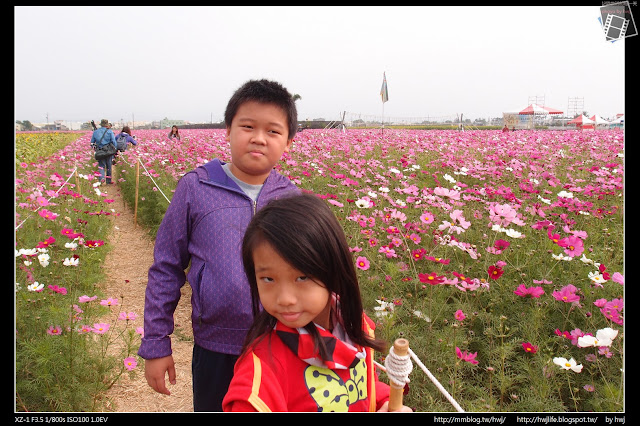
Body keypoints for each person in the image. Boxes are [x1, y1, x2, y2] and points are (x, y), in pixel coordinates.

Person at [138, 79, 300, 412]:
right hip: (216, 347)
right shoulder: (196, 188)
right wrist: (156, 344)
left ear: (288, 142)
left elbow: (313, 275)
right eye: (247, 126)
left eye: (273, 131)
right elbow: (166, 268)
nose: (258, 138)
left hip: (282, 345)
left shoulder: (292, 198)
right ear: (228, 130)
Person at [222, 194, 413, 412]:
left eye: (302, 277)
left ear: (334, 269)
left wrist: (385, 403)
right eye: (268, 279)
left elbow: (361, 386)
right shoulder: (261, 371)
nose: (285, 299)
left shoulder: (355, 327)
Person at [90, 119, 116, 184]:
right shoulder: (110, 132)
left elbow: (92, 143)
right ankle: (108, 181)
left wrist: (95, 149)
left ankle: (101, 178)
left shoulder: (96, 132)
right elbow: (114, 141)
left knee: (101, 165)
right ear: (107, 125)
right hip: (108, 151)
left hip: (100, 150)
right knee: (109, 166)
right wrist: (115, 150)